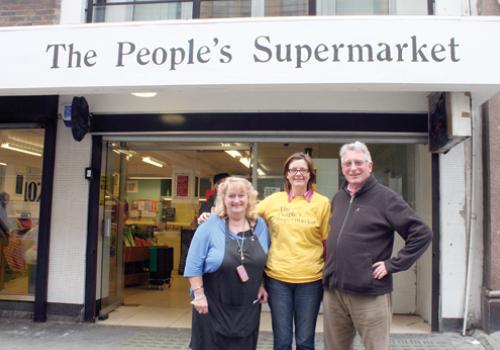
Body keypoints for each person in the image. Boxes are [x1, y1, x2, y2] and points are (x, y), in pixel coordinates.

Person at [322, 141, 433, 350]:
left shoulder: (386, 198)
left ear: (370, 166)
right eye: (347, 163)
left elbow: (422, 233)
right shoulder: (338, 198)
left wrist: (392, 265)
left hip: (369, 292)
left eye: (358, 162)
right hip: (335, 291)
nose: (353, 168)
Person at [184, 176, 269, 350]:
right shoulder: (209, 225)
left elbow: (262, 261)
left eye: (241, 195)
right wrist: (199, 296)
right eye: (231, 196)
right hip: (211, 307)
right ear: (223, 199)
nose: (237, 200)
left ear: (249, 198)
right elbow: (193, 264)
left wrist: (261, 284)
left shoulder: (260, 225)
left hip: (247, 308)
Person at [256, 152, 330, 350]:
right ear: (287, 175)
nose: (298, 173)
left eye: (303, 170)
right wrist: (212, 217)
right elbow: (243, 215)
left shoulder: (322, 203)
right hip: (277, 280)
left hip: (311, 281)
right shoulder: (273, 201)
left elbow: (327, 243)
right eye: (293, 170)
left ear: (310, 175)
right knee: (282, 341)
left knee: (305, 341)